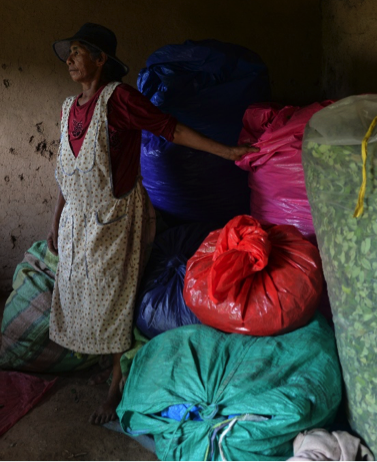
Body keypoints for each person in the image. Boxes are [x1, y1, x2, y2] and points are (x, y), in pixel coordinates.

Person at [46, 23, 257, 424]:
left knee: (117, 299)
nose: (70, 59)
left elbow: (170, 128)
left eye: (78, 51)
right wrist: (57, 220)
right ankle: (98, 361)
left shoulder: (120, 99)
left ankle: (116, 384)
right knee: (80, 293)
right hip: (77, 219)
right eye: (69, 51)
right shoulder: (68, 109)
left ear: (101, 59)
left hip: (114, 217)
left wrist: (227, 151)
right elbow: (66, 171)